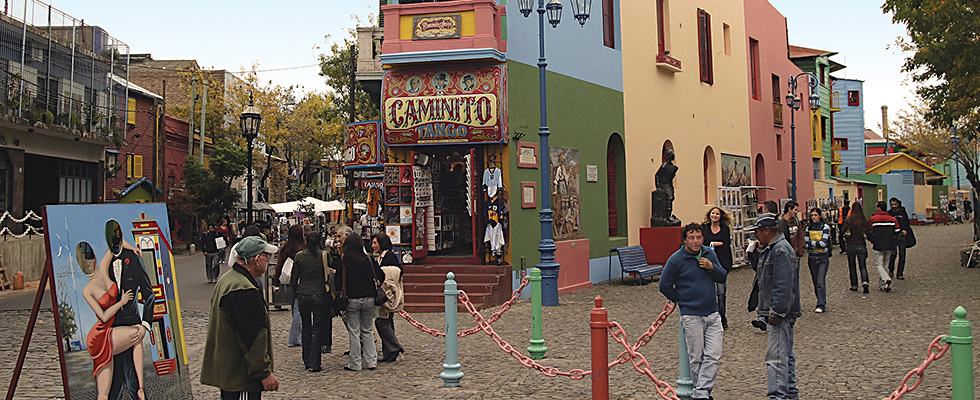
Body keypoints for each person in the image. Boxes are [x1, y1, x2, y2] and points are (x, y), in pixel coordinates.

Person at [201, 236, 280, 399]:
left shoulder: (227, 280)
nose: (269, 261)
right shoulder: (244, 289)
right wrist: (263, 372)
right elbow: (251, 337)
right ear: (257, 259)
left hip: (230, 372)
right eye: (267, 256)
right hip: (241, 375)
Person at [659, 223, 727, 400]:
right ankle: (703, 393)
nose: (696, 241)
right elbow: (664, 285)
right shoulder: (676, 259)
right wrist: (682, 299)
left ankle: (700, 392)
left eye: (699, 237)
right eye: (691, 237)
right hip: (692, 315)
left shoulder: (708, 253)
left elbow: (722, 276)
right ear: (685, 240)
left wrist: (711, 267)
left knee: (713, 355)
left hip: (712, 313)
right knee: (696, 358)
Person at [746, 213, 801, 400]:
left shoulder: (780, 251)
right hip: (777, 310)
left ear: (766, 230)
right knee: (785, 355)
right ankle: (790, 393)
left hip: (780, 313)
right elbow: (762, 274)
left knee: (776, 357)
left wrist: (776, 312)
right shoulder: (772, 249)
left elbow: (783, 284)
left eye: (757, 232)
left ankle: (779, 396)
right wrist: (753, 254)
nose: (755, 236)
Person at [101, 221, 155, 400]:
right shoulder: (105, 264)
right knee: (113, 384)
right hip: (111, 331)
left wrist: (145, 325)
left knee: (134, 382)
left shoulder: (133, 259)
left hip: (132, 328)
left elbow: (149, 295)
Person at [83, 242, 144, 400]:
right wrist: (121, 303)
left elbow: (116, 241)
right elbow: (103, 317)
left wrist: (133, 248)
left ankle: (141, 388)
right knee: (138, 332)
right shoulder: (87, 290)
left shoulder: (103, 270)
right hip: (100, 335)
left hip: (108, 333)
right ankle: (141, 389)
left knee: (103, 393)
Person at [336, 232, 385, 371]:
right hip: (369, 298)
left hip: (351, 299)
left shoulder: (343, 262)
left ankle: (355, 363)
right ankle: (371, 361)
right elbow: (381, 275)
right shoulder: (368, 260)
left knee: (354, 332)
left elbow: (338, 282)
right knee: (368, 330)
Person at [290, 232, 332, 371]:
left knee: (306, 327)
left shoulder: (299, 256)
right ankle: (315, 361)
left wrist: (296, 291)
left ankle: (307, 359)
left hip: (303, 293)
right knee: (317, 328)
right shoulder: (323, 255)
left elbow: (294, 277)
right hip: (319, 293)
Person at [372, 232, 405, 362]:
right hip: (386, 293)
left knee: (382, 321)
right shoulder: (381, 257)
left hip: (388, 293)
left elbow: (395, 273)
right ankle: (389, 351)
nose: (373, 246)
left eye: (375, 243)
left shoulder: (389, 257)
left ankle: (394, 346)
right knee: (386, 321)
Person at [274, 225, 306, 348]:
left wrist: (276, 283)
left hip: (288, 282)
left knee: (295, 309)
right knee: (298, 310)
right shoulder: (303, 248)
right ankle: (295, 338)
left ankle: (299, 335)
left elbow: (278, 266)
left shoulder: (285, 248)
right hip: (300, 281)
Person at [702, 206, 733, 329]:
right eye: (713, 213)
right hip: (707, 263)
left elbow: (724, 242)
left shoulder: (724, 229)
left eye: (717, 214)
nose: (714, 216)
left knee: (721, 292)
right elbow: (703, 243)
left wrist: (712, 243)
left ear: (721, 216)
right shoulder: (705, 228)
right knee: (708, 292)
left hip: (722, 263)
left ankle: (722, 317)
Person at [840, 202, 872, 293]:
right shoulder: (863, 220)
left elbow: (842, 231)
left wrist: (846, 234)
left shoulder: (849, 220)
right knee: (862, 266)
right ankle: (865, 282)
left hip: (851, 245)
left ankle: (854, 285)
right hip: (861, 245)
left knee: (852, 266)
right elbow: (868, 232)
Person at [804, 208, 831, 313]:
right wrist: (815, 243)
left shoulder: (825, 227)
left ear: (819, 216)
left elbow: (824, 243)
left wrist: (812, 243)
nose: (813, 217)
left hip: (823, 257)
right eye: (812, 215)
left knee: (820, 281)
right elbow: (806, 243)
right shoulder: (808, 228)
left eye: (815, 215)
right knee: (815, 282)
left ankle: (821, 304)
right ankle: (820, 299)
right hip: (812, 258)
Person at [870, 201, 899, 292]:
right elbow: (897, 230)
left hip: (878, 245)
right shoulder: (892, 219)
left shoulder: (873, 219)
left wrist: (873, 240)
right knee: (886, 264)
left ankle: (886, 279)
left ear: (879, 208)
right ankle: (883, 285)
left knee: (879, 264)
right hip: (890, 245)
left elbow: (869, 231)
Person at [887, 198, 912, 280]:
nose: (894, 206)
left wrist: (905, 230)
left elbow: (906, 222)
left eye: (895, 204)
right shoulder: (889, 213)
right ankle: (891, 269)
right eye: (892, 204)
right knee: (893, 254)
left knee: (902, 254)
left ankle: (900, 273)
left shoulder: (902, 212)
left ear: (898, 204)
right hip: (893, 236)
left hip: (902, 236)